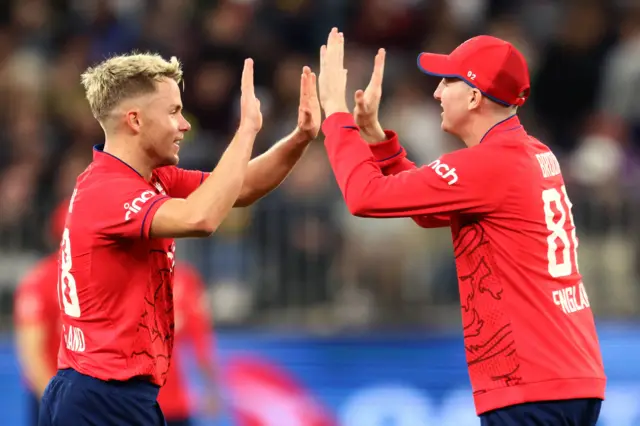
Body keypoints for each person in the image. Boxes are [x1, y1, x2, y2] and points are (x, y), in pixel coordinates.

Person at [317, 28, 606, 425]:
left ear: (474, 96)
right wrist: (376, 139)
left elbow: (365, 197)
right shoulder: (532, 152)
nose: (437, 92)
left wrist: (335, 117)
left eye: (449, 81)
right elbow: (426, 209)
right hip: (570, 373)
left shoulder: (488, 164)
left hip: (529, 382)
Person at [38, 52, 321, 426]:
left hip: (114, 394)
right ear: (135, 120)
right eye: (173, 111)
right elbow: (200, 218)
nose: (184, 125)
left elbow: (241, 186)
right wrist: (246, 131)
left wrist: (299, 138)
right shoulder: (107, 189)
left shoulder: (152, 179)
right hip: (100, 396)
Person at [14, 201, 68, 426]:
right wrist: (56, 401)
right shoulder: (42, 280)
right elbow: (32, 353)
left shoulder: (38, 279)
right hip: (58, 395)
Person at [158, 261, 219, 426]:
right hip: (170, 403)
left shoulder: (128, 276)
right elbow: (202, 346)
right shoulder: (184, 280)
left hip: (136, 400)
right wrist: (211, 390)